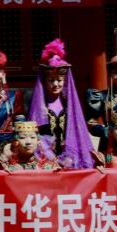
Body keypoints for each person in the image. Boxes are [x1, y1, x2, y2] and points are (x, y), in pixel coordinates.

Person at [28, 39, 94, 169]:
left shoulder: (69, 105)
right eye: (51, 80)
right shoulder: (39, 106)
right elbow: (34, 136)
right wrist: (51, 158)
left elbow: (76, 134)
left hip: (69, 160)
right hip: (44, 159)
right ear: (44, 82)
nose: (55, 84)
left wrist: (69, 157)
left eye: (59, 80)